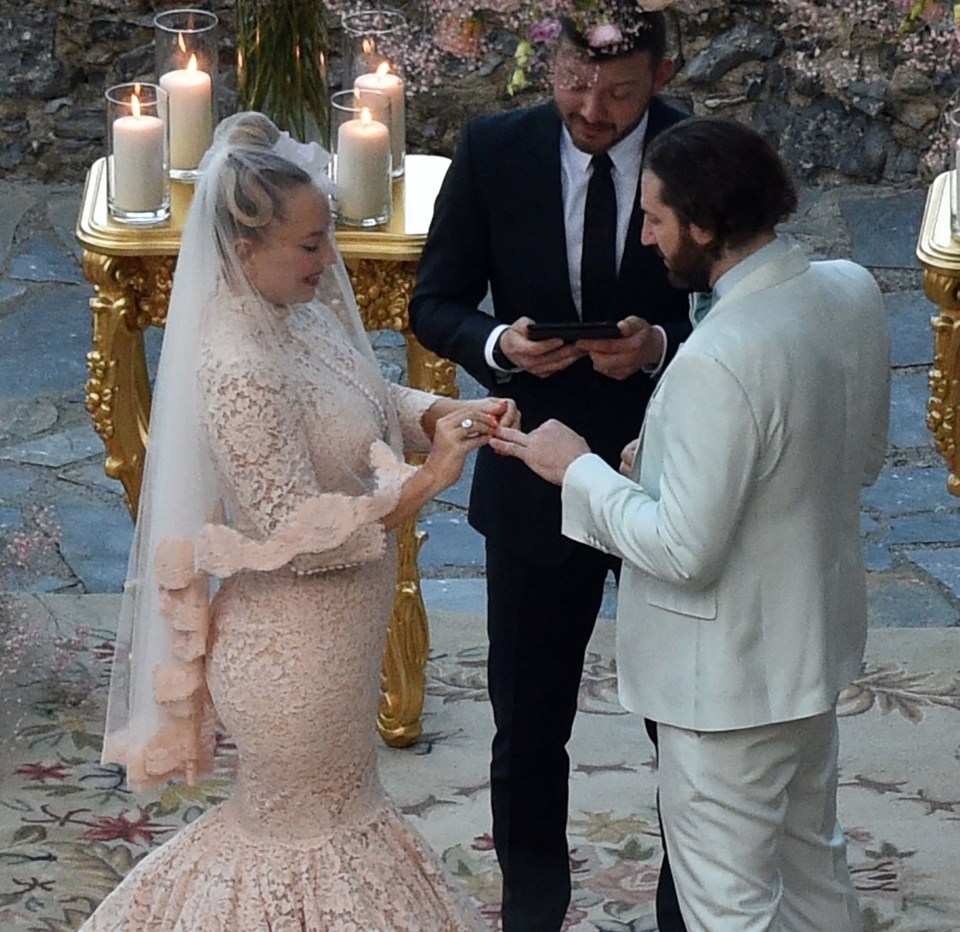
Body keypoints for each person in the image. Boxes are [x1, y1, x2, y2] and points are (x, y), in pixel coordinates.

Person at [79, 111, 517, 931]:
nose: (329, 261)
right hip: (290, 656)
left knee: (335, 833)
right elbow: (296, 538)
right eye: (310, 245)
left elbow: (366, 401)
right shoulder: (239, 368)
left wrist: (442, 414)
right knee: (306, 846)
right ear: (245, 252)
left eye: (327, 239)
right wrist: (430, 481)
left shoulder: (299, 314)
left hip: (338, 640)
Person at [490, 116, 891, 931]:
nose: (644, 238)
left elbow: (682, 549)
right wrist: (671, 458)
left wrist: (580, 469)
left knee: (727, 909)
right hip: (807, 650)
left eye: (657, 219)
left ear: (704, 226)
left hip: (723, 687)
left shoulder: (717, 356)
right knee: (815, 878)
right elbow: (854, 456)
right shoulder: (851, 288)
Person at [409, 4, 692, 929]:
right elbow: (435, 301)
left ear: (659, 76)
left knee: (684, 727)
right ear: (549, 64)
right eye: (575, 83)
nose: (592, 107)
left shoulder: (699, 151)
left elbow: (736, 306)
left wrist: (656, 346)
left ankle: (687, 904)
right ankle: (532, 906)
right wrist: (498, 342)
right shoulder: (494, 148)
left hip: (669, 473)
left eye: (617, 92)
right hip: (532, 471)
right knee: (528, 727)